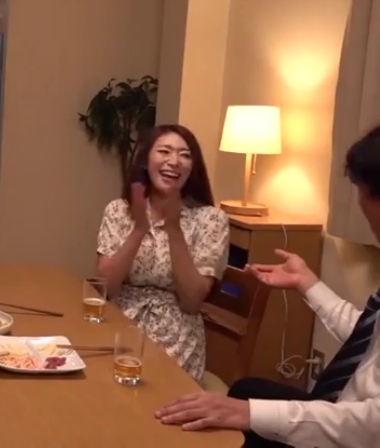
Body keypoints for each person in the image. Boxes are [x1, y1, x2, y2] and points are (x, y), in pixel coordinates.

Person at [156, 125, 380, 448]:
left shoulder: (206, 218)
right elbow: (367, 337)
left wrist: (249, 414)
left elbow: (370, 425)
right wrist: (308, 283)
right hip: (344, 406)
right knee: (245, 390)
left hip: (354, 428)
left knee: (235, 416)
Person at [96, 124, 229, 383]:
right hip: (120, 324)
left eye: (184, 155)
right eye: (164, 151)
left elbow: (191, 302)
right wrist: (139, 229)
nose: (174, 161)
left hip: (177, 335)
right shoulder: (118, 210)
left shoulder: (211, 219)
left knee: (151, 390)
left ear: (192, 168)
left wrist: (173, 227)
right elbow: (106, 288)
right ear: (146, 161)